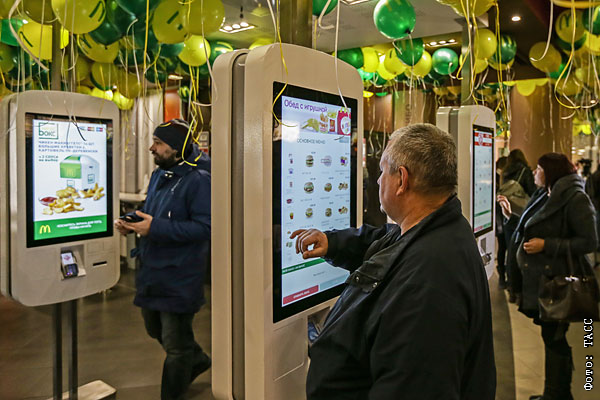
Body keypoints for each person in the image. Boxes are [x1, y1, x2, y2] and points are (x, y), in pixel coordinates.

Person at [292, 124, 496, 400]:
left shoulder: (429, 282)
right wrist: (333, 242)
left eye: (382, 171)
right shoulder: (434, 229)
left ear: (402, 179)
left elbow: (411, 387)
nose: (377, 181)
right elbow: (383, 242)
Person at [114, 119, 211, 400]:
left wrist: (154, 227)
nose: (151, 148)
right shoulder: (160, 174)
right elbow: (150, 210)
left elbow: (205, 228)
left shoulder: (199, 180)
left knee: (176, 345)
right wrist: (131, 221)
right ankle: (199, 359)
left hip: (181, 274)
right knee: (153, 327)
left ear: (176, 147)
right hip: (153, 269)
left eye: (158, 143)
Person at [499, 152, 597, 400]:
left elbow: (589, 241)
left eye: (539, 169)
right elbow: (534, 226)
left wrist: (547, 245)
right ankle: (556, 393)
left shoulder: (575, 198)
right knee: (551, 337)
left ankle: (556, 394)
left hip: (558, 282)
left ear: (550, 172)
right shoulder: (546, 194)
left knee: (554, 338)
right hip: (543, 281)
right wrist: (511, 216)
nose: (534, 173)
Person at [496, 156, 508, 289]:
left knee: (502, 247)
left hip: (499, 219)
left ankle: (501, 277)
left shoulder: (495, 178)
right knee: (506, 247)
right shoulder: (505, 179)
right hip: (504, 218)